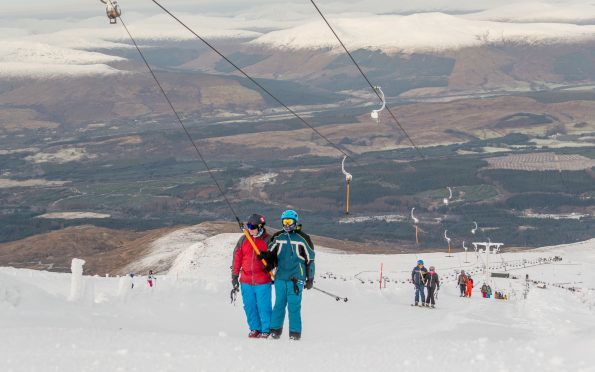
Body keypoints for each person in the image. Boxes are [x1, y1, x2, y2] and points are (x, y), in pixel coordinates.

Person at [259, 210, 315, 341]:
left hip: (296, 279)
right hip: (280, 278)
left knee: (294, 306)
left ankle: (294, 334)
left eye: (289, 222)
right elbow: (271, 255)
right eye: (284, 222)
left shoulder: (303, 239)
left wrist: (310, 278)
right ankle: (275, 331)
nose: (287, 225)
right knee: (279, 305)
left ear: (295, 222)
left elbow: (310, 260)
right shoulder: (278, 237)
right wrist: (268, 262)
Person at [231, 214, 273, 339]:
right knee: (249, 307)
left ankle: (266, 330)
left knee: (264, 307)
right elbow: (237, 258)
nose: (250, 229)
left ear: (260, 227)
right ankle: (255, 329)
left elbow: (275, 258)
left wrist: (271, 265)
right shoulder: (244, 240)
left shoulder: (268, 240)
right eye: (248, 226)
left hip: (263, 281)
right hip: (246, 281)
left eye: (252, 226)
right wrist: (234, 276)